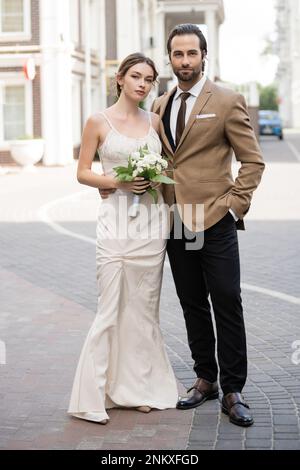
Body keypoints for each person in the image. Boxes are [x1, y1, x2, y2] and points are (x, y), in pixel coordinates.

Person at [150, 23, 265, 427]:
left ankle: (234, 388)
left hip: (215, 220)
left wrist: (235, 205)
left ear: (203, 56)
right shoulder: (161, 105)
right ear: (171, 58)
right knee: (192, 302)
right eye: (177, 54)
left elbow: (253, 161)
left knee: (227, 300)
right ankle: (205, 379)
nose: (185, 61)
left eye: (191, 54)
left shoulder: (228, 100)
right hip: (176, 221)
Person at [67, 53, 178, 425]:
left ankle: (139, 390)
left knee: (144, 310)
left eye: (149, 79)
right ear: (120, 79)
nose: (143, 84)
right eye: (136, 76)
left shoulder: (156, 121)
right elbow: (83, 172)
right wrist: (116, 182)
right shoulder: (98, 121)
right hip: (115, 222)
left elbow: (170, 167)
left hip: (151, 224)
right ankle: (93, 395)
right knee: (110, 306)